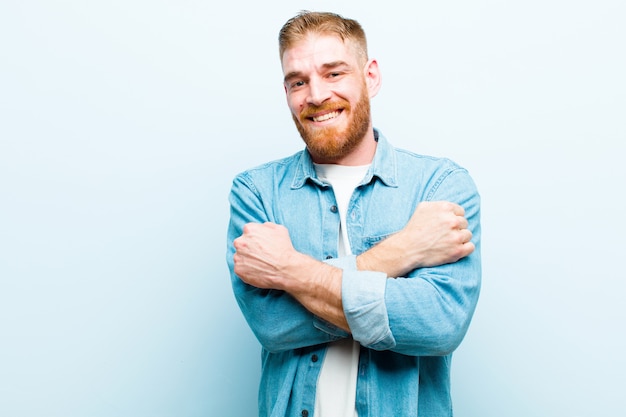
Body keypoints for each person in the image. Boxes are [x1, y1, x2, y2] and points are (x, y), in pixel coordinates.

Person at [226, 11, 481, 417]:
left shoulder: (439, 187)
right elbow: (271, 325)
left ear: (371, 77)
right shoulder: (257, 192)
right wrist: (402, 252)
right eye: (298, 81)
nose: (315, 96)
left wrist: (290, 270)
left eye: (333, 73)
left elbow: (438, 323)